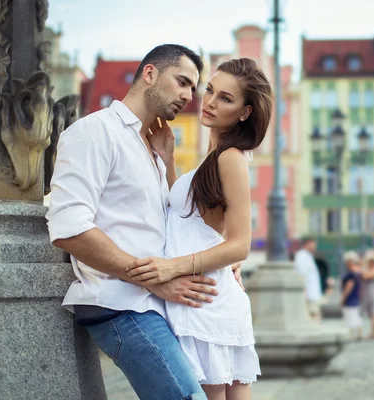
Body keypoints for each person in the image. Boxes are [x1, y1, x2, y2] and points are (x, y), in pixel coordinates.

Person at [47, 44, 213, 399]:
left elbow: (173, 223)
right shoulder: (95, 131)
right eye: (182, 81)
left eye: (192, 88)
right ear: (150, 73)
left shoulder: (152, 149)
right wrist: (154, 280)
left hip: (154, 306)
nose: (188, 95)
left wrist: (167, 161)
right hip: (121, 305)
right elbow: (68, 226)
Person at [126, 58, 272, 399]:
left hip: (207, 299)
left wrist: (169, 268)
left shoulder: (231, 157)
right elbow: (191, 217)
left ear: (245, 112)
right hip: (204, 297)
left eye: (226, 98)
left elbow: (240, 246)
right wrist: (169, 160)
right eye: (210, 90)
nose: (209, 101)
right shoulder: (215, 156)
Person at [294, 237, 323, 321]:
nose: (315, 246)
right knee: (312, 317)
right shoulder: (301, 256)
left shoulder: (308, 256)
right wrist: (304, 292)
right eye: (314, 244)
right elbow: (301, 275)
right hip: (309, 294)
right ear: (308, 243)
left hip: (312, 293)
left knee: (315, 316)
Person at [341, 251, 363, 340]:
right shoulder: (358, 271)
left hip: (351, 298)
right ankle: (358, 333)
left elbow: (349, 286)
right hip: (356, 296)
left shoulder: (351, 273)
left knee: (351, 316)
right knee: (356, 315)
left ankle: (353, 334)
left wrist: (343, 298)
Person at [361, 249, 374, 340]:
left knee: (373, 313)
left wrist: (363, 267)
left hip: (371, 293)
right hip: (368, 292)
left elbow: (365, 276)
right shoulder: (372, 269)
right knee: (371, 314)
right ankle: (373, 333)